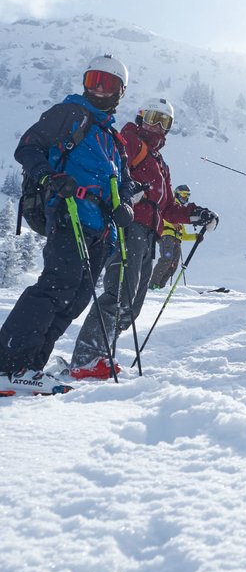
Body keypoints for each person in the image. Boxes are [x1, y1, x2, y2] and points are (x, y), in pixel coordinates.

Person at [0, 54, 135, 393]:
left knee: (74, 299)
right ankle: (7, 364)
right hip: (69, 214)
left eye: (109, 84)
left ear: (120, 92)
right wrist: (50, 177)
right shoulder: (69, 114)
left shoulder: (114, 139)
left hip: (101, 229)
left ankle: (30, 369)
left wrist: (126, 209)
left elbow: (124, 185)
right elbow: (27, 149)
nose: (100, 89)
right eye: (94, 80)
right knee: (55, 287)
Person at [70, 98, 219, 378]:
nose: (157, 125)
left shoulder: (160, 164)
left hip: (150, 234)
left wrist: (198, 214)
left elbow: (169, 208)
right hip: (128, 226)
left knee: (133, 304)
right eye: (152, 117)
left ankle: (102, 354)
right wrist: (129, 190)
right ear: (140, 117)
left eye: (164, 122)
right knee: (118, 294)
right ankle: (87, 358)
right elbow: (109, 167)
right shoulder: (129, 139)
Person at [148, 184, 198, 290]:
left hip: (176, 240)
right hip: (166, 236)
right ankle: (153, 285)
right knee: (166, 259)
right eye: (183, 195)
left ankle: (160, 286)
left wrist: (195, 237)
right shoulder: (170, 205)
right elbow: (162, 215)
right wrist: (172, 221)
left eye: (187, 195)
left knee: (173, 265)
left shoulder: (180, 212)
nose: (185, 198)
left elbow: (183, 235)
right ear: (177, 194)